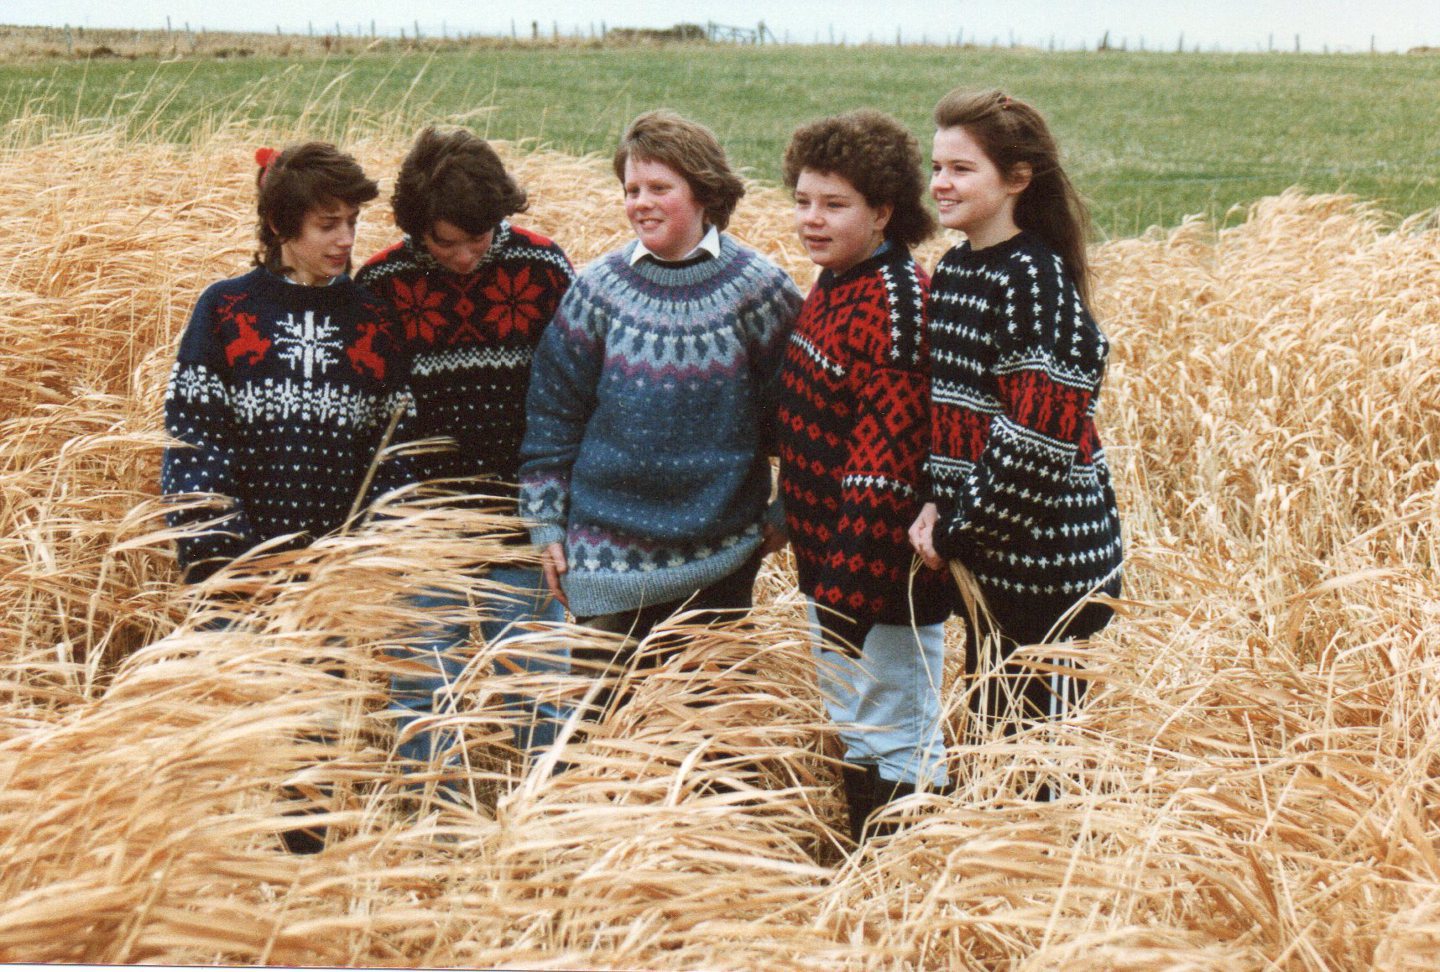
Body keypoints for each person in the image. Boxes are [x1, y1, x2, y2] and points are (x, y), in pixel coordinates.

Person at [161, 142, 415, 850]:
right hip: (240, 582)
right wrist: (225, 564)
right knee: (238, 758)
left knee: (315, 766)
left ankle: (298, 918)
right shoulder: (225, 310)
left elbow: (397, 452)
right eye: (327, 224)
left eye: (352, 223)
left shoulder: (372, 318)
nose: (345, 240)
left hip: (338, 587)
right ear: (280, 227)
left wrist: (365, 563)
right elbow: (194, 443)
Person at [518, 109, 802, 718]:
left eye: (659, 188)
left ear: (703, 191)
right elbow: (552, 414)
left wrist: (791, 506)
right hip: (603, 553)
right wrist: (545, 523)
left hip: (719, 551)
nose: (641, 203)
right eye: (632, 190)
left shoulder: (762, 291)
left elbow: (804, 416)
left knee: (703, 735)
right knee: (593, 728)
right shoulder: (598, 291)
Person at [909, 89, 1123, 793]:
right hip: (991, 558)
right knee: (994, 742)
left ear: (1017, 179)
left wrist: (960, 528)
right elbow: (953, 419)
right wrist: (937, 509)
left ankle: (1049, 888)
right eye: (937, 166)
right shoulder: (960, 269)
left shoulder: (1033, 278)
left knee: (1038, 766)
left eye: (962, 169)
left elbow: (1039, 436)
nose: (941, 183)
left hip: (1048, 563)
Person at [356, 127, 575, 768]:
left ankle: (543, 835)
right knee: (423, 700)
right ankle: (436, 838)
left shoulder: (542, 268)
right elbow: (370, 416)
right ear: (414, 227)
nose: (464, 257)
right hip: (424, 531)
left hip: (524, 524)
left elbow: (572, 399)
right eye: (445, 243)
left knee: (538, 698)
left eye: (479, 240)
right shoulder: (380, 285)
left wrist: (557, 512)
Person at [775, 109, 954, 842]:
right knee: (858, 728)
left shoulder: (895, 303)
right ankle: (867, 878)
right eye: (804, 200)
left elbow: (885, 469)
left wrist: (848, 600)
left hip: (883, 579)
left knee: (900, 737)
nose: (812, 220)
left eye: (834, 204)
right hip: (833, 569)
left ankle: (906, 888)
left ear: (883, 211)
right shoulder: (837, 282)